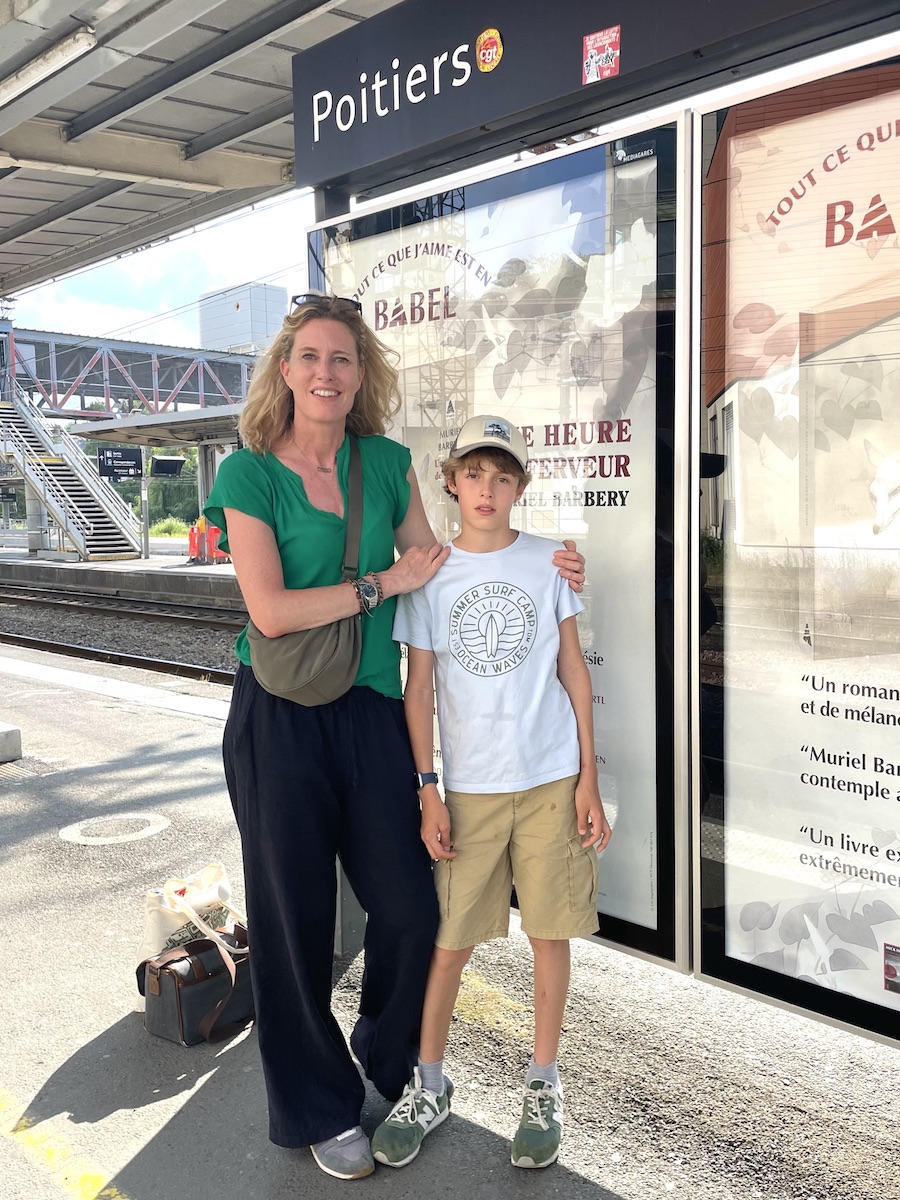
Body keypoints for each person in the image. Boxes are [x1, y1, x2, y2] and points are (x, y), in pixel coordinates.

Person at [202, 297, 586, 1181]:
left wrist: (547, 563)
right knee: (292, 918)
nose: (327, 373)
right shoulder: (250, 475)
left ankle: (388, 1062)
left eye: (344, 359)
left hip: (373, 711)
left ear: (362, 374)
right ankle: (317, 1106)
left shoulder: (385, 463)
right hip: (279, 714)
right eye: (310, 357)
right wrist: (378, 587)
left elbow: (445, 563)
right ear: (285, 370)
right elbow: (271, 610)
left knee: (413, 907)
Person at [372, 414, 611, 1172]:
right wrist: (427, 788)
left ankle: (543, 1085)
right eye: (474, 473)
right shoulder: (431, 571)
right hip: (468, 787)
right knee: (450, 943)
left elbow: (574, 670)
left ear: (519, 487)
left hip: (548, 779)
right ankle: (431, 1082)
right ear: (450, 479)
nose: (487, 488)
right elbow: (420, 691)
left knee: (550, 934)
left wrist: (589, 780)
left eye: (503, 476)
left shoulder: (551, 563)